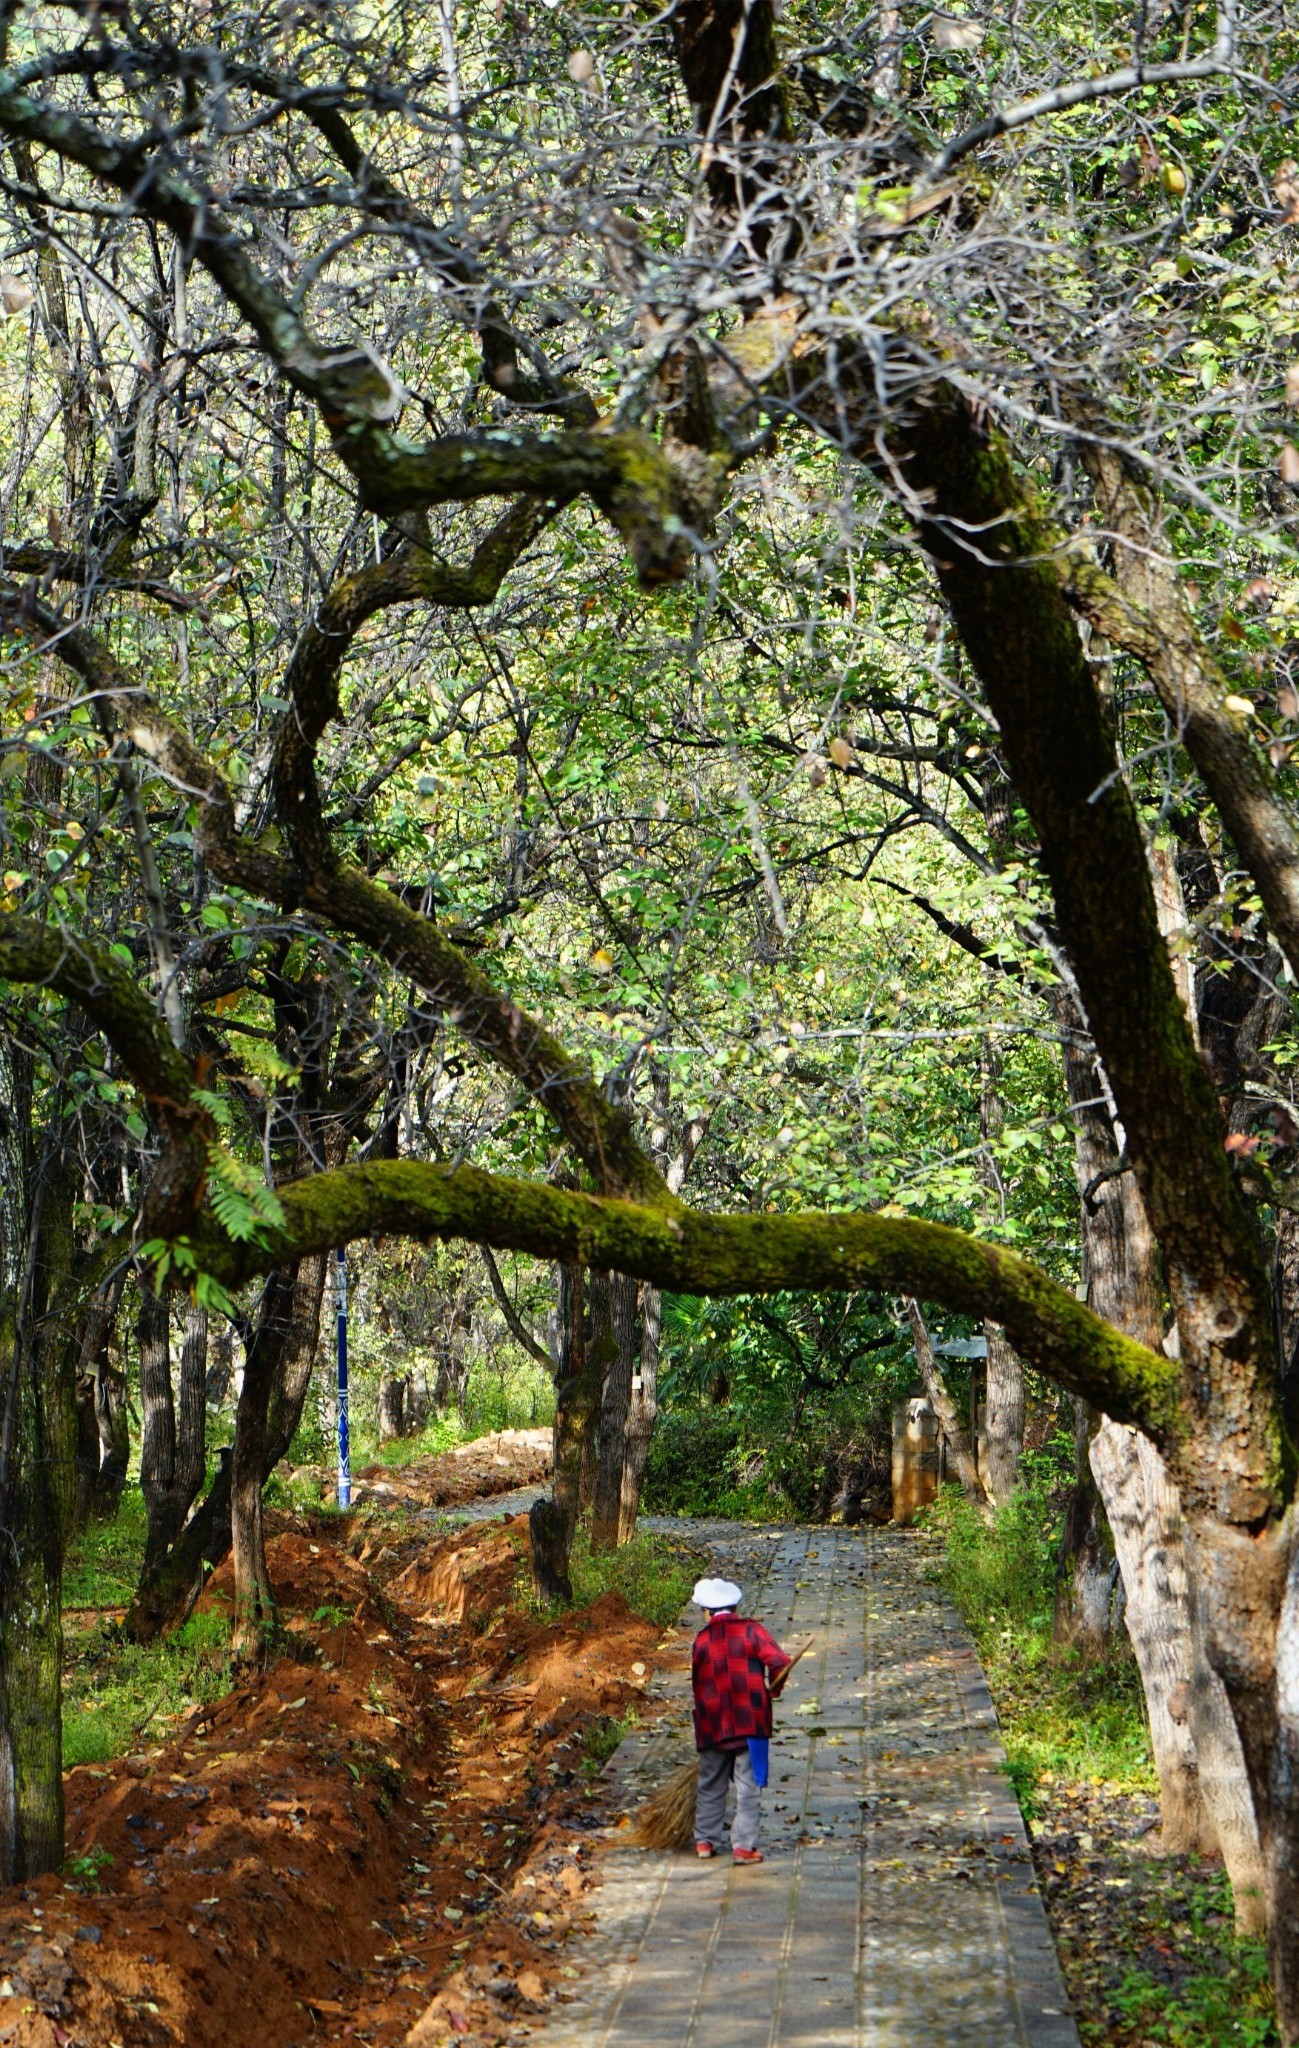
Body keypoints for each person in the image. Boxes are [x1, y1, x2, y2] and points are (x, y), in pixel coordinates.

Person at [690, 1575, 792, 1865]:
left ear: (708, 1612)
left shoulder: (701, 1641)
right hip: (751, 1724)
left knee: (710, 1784)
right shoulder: (752, 1632)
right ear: (734, 1607)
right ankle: (743, 1847)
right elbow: (780, 1662)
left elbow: (698, 1685)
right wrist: (774, 1688)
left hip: (712, 1725)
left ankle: (705, 1842)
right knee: (748, 1787)